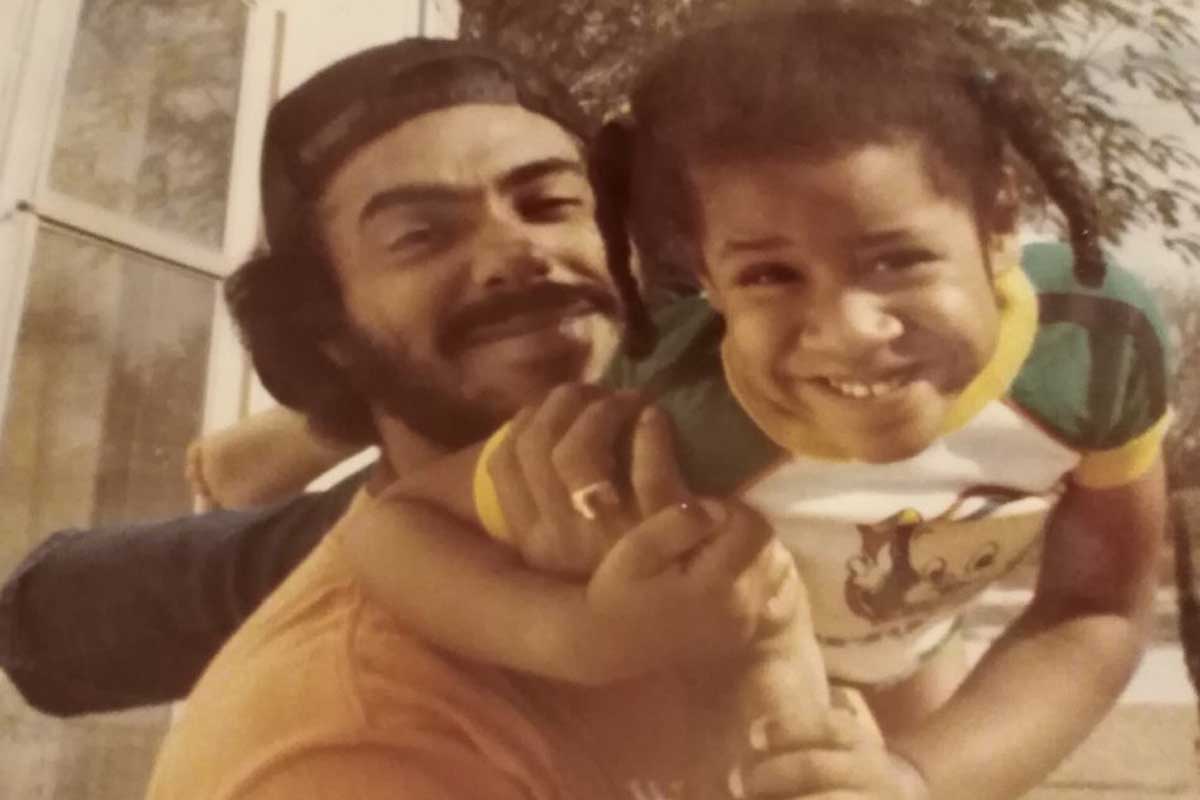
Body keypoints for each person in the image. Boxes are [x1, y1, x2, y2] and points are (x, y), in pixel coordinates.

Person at [327, 3, 1169, 799]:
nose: (848, 330)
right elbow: (391, 531)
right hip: (715, 696)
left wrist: (918, 778)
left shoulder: (1096, 344)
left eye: (899, 259)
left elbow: (1093, 609)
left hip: (915, 659)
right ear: (707, 278)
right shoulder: (671, 416)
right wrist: (581, 635)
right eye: (770, 275)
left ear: (997, 223)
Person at [145, 36, 828, 800]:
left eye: (551, 204)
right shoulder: (348, 738)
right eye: (421, 236)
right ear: (328, 333)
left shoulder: (750, 456)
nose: (518, 250)